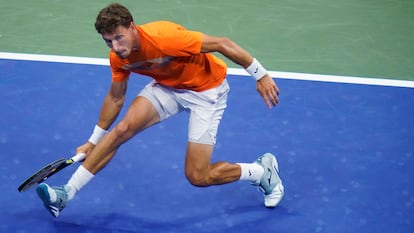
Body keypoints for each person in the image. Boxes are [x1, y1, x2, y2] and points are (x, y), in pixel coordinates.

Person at [36, 3, 284, 217]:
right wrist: (93, 141)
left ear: (132, 27)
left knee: (198, 176)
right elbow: (115, 98)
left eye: (119, 37)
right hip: (168, 87)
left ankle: (261, 172)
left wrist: (260, 75)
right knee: (122, 130)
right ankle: (65, 194)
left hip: (207, 91)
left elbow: (222, 43)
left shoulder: (165, 38)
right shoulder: (118, 58)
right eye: (108, 41)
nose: (115, 46)